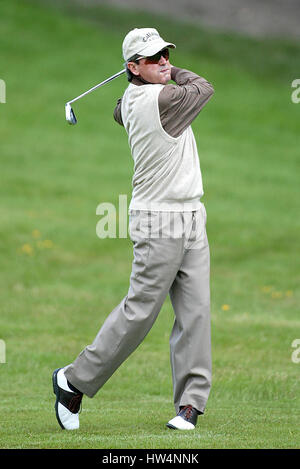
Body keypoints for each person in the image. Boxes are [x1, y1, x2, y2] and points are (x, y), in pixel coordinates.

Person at [52, 27, 214, 431]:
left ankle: (190, 405)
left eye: (165, 53)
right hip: (159, 221)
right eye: (154, 57)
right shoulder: (164, 97)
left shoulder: (131, 99)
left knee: (195, 313)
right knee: (141, 312)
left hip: (191, 215)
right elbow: (204, 87)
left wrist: (144, 76)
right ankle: (73, 380)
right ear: (132, 66)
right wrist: (172, 73)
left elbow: (117, 110)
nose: (163, 60)